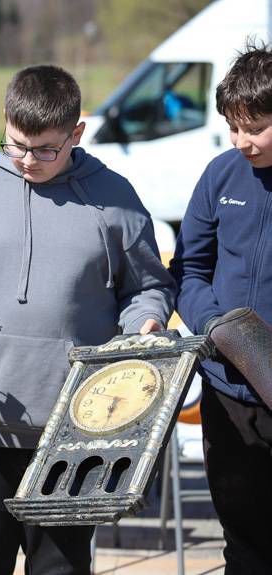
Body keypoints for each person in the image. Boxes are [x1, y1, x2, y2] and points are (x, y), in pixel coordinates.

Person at [0, 65, 175, 574]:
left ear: (77, 134)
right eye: (16, 144)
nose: (27, 161)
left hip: (75, 434)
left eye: (46, 149)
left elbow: (149, 286)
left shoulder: (115, 199)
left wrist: (146, 322)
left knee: (60, 570)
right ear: (5, 122)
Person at [169, 42, 272, 572]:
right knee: (243, 541)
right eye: (233, 127)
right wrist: (215, 326)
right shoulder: (220, 175)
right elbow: (188, 268)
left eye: (254, 127)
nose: (241, 142)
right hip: (228, 389)